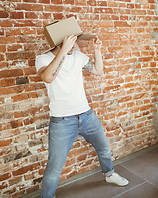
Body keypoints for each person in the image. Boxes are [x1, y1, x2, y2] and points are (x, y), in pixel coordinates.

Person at [36, 35, 129, 198]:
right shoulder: (43, 58)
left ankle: (109, 174)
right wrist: (64, 50)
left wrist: (97, 50)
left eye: (75, 41)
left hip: (86, 115)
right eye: (71, 42)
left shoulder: (78, 56)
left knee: (104, 148)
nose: (74, 45)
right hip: (61, 121)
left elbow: (98, 71)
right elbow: (48, 77)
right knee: (54, 167)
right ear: (59, 42)